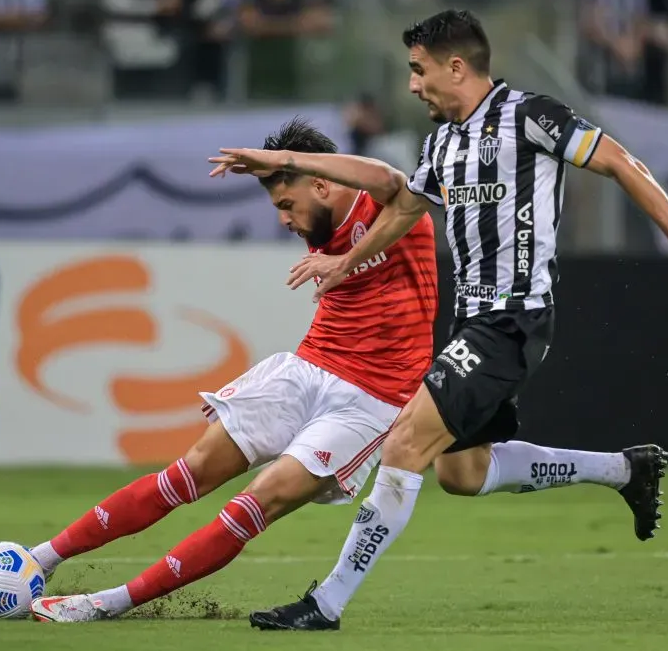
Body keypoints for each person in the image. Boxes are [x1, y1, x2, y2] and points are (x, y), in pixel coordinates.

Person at [208, 9, 668, 631]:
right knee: (462, 472)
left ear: (456, 67)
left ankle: (327, 603)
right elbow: (401, 204)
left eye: (418, 69)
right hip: (471, 323)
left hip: (513, 319)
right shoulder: (442, 143)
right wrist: (345, 260)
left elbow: (622, 163)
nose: (412, 85)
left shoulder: (530, 116)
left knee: (403, 443)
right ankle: (625, 469)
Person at [23, 117, 440, 623]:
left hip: (370, 399)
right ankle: (39, 560)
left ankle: (104, 604)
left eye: (286, 204)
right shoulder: (321, 218)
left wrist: (289, 170)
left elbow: (393, 181)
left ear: (321, 184)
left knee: (256, 501)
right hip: (308, 368)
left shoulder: (388, 202)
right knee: (187, 473)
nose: (284, 220)